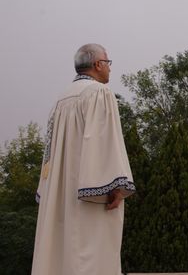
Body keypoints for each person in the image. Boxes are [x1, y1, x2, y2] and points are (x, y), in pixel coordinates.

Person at [31, 44, 135, 275]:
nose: (109, 68)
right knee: (89, 254)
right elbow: (102, 141)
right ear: (98, 65)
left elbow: (49, 154)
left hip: (59, 193)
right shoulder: (99, 93)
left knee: (60, 252)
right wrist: (114, 186)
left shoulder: (60, 100)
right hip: (90, 192)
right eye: (108, 63)